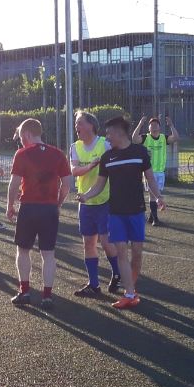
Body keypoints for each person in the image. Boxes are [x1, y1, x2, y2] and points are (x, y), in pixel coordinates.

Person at [75, 116, 164, 309]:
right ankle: (129, 293)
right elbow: (99, 185)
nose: (107, 137)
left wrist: (158, 197)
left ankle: (132, 289)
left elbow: (150, 179)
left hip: (136, 211)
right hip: (115, 213)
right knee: (122, 253)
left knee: (137, 254)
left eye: (109, 133)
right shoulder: (107, 157)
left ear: (120, 132)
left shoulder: (140, 152)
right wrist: (86, 196)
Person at [6, 118, 71, 310]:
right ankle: (47, 296)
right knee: (48, 253)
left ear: (27, 134)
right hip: (49, 209)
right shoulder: (58, 154)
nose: (21, 141)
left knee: (23, 250)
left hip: (29, 208)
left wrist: (9, 205)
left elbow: (14, 184)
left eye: (21, 137)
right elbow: (67, 185)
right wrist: (58, 203)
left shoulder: (22, 154)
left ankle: (24, 291)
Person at [67, 111, 123, 298]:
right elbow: (74, 170)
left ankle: (117, 274)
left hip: (105, 201)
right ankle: (94, 284)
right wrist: (90, 166)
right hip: (85, 202)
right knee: (88, 244)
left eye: (80, 123)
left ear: (91, 125)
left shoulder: (104, 144)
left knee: (107, 243)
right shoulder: (75, 147)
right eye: (76, 123)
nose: (77, 126)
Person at [133, 114, 177, 227]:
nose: (153, 126)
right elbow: (134, 139)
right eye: (151, 125)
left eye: (156, 124)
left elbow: (175, 138)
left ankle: (151, 217)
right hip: (149, 172)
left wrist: (171, 125)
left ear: (159, 127)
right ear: (148, 128)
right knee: (153, 196)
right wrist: (140, 124)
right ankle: (155, 219)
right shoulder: (146, 138)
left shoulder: (163, 138)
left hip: (160, 172)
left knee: (157, 194)